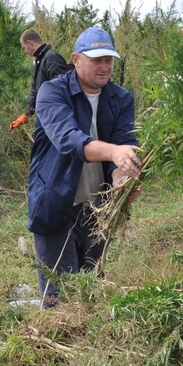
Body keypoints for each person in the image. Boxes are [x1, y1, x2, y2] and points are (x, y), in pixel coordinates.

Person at [27, 26, 142, 307]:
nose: (104, 67)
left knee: (91, 291)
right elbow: (68, 140)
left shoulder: (120, 98)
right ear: (76, 59)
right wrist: (115, 152)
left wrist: (122, 179)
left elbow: (124, 143)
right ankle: (54, 347)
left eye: (109, 60)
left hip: (96, 208)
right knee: (60, 300)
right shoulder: (52, 92)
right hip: (55, 202)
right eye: (96, 60)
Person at [9, 29, 71, 131]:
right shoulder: (38, 62)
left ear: (29, 43)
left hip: (56, 116)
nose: (25, 51)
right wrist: (25, 115)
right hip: (44, 115)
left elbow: (61, 87)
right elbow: (35, 91)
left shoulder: (52, 57)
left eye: (24, 47)